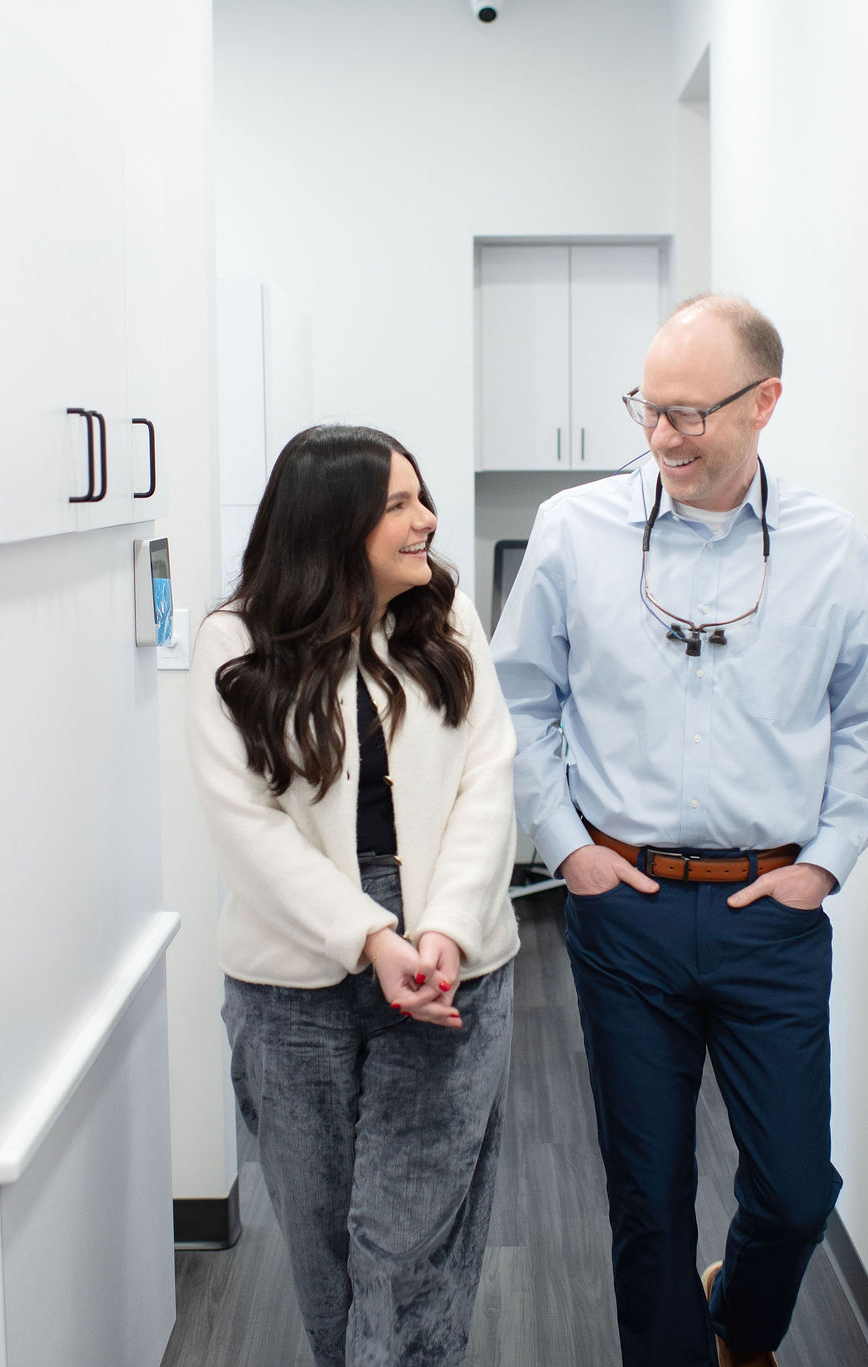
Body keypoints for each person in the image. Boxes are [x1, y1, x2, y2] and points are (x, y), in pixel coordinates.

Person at [491, 296, 868, 1367]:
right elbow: (521, 696)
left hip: (768, 912)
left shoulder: (828, 545)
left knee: (794, 1189)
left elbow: (865, 713)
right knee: (646, 1192)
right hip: (622, 906)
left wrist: (824, 862)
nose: (664, 437)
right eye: (649, 410)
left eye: (691, 413)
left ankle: (741, 1328)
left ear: (764, 403)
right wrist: (566, 847)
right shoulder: (576, 529)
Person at [188, 424, 520, 1367]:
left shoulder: (445, 620)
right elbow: (248, 828)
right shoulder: (236, 642)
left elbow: (486, 781)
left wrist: (444, 927)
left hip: (450, 964)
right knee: (328, 1249)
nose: (428, 522)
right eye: (399, 506)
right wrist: (372, 937)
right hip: (294, 983)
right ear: (332, 528)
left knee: (410, 1241)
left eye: (423, 497)